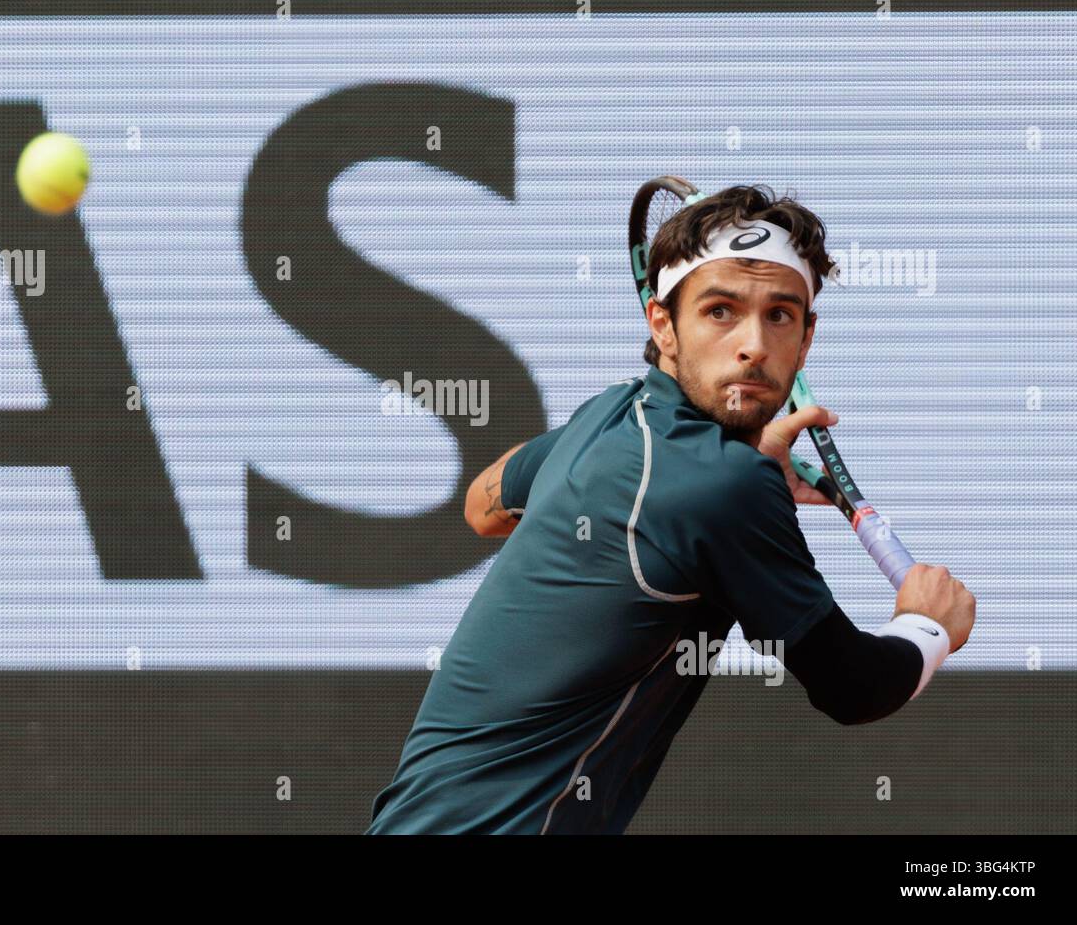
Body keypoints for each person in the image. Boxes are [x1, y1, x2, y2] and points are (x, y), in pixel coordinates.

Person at [367, 184, 975, 834]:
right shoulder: (725, 487)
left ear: (806, 335)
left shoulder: (605, 420)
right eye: (720, 311)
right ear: (663, 324)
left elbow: (483, 506)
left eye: (780, 315)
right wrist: (926, 625)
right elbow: (854, 687)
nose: (753, 344)